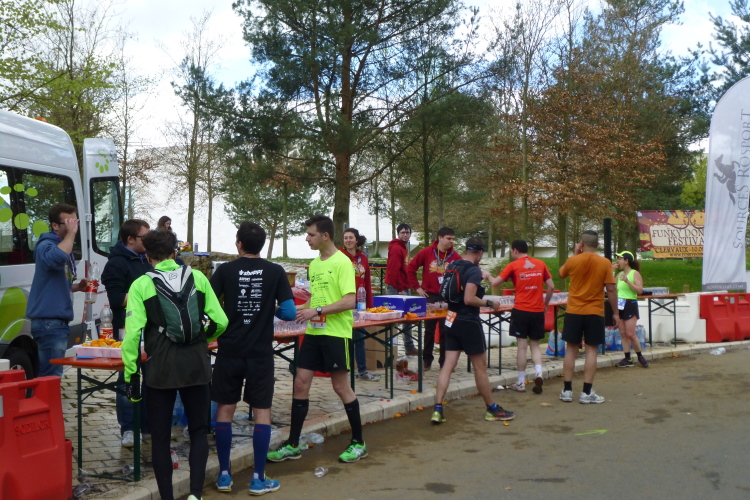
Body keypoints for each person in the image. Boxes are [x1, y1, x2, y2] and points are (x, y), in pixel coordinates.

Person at [122, 230, 228, 500]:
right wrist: (203, 339)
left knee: (160, 438)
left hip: (161, 368)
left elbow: (132, 336)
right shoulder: (198, 277)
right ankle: (195, 495)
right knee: (199, 432)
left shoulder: (141, 285)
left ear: (147, 257)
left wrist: (131, 374)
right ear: (174, 253)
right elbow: (221, 321)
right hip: (196, 365)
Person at [267, 215, 367, 464]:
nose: (307, 239)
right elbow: (317, 297)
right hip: (313, 333)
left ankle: (358, 442)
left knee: (340, 387)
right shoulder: (314, 264)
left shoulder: (343, 262)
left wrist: (317, 311)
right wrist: (299, 310)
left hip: (336, 333)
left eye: (311, 234)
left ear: (325, 236)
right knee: (300, 384)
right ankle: (293, 444)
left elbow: (349, 301)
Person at [209, 222, 296, 495]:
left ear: (239, 244)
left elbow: (207, 304)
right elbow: (290, 313)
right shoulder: (275, 271)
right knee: (262, 412)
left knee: (225, 410)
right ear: (262, 244)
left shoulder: (225, 270)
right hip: (260, 353)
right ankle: (258, 479)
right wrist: (269, 308)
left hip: (229, 350)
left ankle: (224, 476)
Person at [431, 238, 515, 424]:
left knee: (448, 366)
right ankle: (491, 408)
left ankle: (437, 408)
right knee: (480, 368)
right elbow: (469, 299)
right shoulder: (474, 270)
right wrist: (489, 302)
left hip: (451, 319)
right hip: (468, 321)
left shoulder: (453, 265)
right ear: (480, 253)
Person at [101, 219, 152, 447]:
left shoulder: (147, 259)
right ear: (130, 239)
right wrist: (146, 295)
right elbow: (116, 299)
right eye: (144, 237)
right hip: (126, 330)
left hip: (150, 329)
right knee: (128, 380)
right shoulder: (116, 264)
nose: (149, 241)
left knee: (151, 379)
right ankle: (129, 428)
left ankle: (147, 425)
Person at [26, 204, 88, 377]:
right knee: (51, 375)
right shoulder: (46, 245)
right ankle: (45, 396)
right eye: (69, 222)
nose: (74, 226)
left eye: (75, 222)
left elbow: (55, 283)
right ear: (55, 225)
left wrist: (77, 287)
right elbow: (57, 258)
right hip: (49, 321)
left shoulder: (60, 245)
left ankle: (43, 395)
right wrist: (71, 234)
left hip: (56, 321)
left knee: (51, 373)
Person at [558, 230, 619, 404]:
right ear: (598, 245)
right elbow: (611, 288)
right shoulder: (605, 262)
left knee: (571, 349)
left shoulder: (573, 260)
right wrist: (615, 312)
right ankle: (586, 392)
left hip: (574, 311)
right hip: (594, 311)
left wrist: (575, 254)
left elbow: (561, 273)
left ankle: (567, 390)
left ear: (581, 244)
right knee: (592, 350)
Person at [489, 239, 554, 394]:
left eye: (511, 251)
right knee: (535, 345)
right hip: (537, 310)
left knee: (522, 347)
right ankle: (539, 373)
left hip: (521, 310)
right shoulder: (540, 264)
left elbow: (495, 283)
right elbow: (551, 286)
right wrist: (545, 304)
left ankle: (520, 382)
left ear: (515, 250)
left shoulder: (513, 266)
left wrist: (487, 275)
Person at [406, 227, 461, 370]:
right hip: (430, 296)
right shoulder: (426, 252)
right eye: (448, 238)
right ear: (440, 238)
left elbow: (462, 275)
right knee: (429, 330)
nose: (451, 241)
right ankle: (427, 360)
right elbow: (410, 268)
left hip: (447, 298)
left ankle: (444, 362)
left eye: (453, 239)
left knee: (446, 330)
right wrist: (417, 287)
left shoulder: (455, 257)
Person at [340, 227, 381, 380]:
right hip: (343, 301)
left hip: (360, 303)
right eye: (346, 238)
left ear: (356, 240)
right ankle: (343, 370)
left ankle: (362, 370)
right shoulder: (339, 256)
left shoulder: (362, 258)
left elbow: (367, 282)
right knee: (344, 338)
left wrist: (369, 306)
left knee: (360, 337)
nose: (348, 240)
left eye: (351, 237)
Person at [384, 223, 418, 356]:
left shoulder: (404, 248)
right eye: (403, 232)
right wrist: (400, 289)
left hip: (404, 286)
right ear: (398, 234)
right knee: (394, 321)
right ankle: (391, 351)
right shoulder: (396, 248)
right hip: (396, 288)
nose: (405, 235)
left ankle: (409, 348)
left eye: (407, 232)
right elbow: (393, 271)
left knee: (407, 319)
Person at [614, 251, 650, 368]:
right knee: (623, 333)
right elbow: (610, 286)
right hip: (620, 303)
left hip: (630, 303)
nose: (618, 261)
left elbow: (639, 290)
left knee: (630, 333)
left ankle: (640, 356)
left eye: (620, 259)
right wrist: (611, 271)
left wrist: (628, 281)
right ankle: (627, 358)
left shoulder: (634, 273)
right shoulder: (619, 274)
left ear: (626, 261)